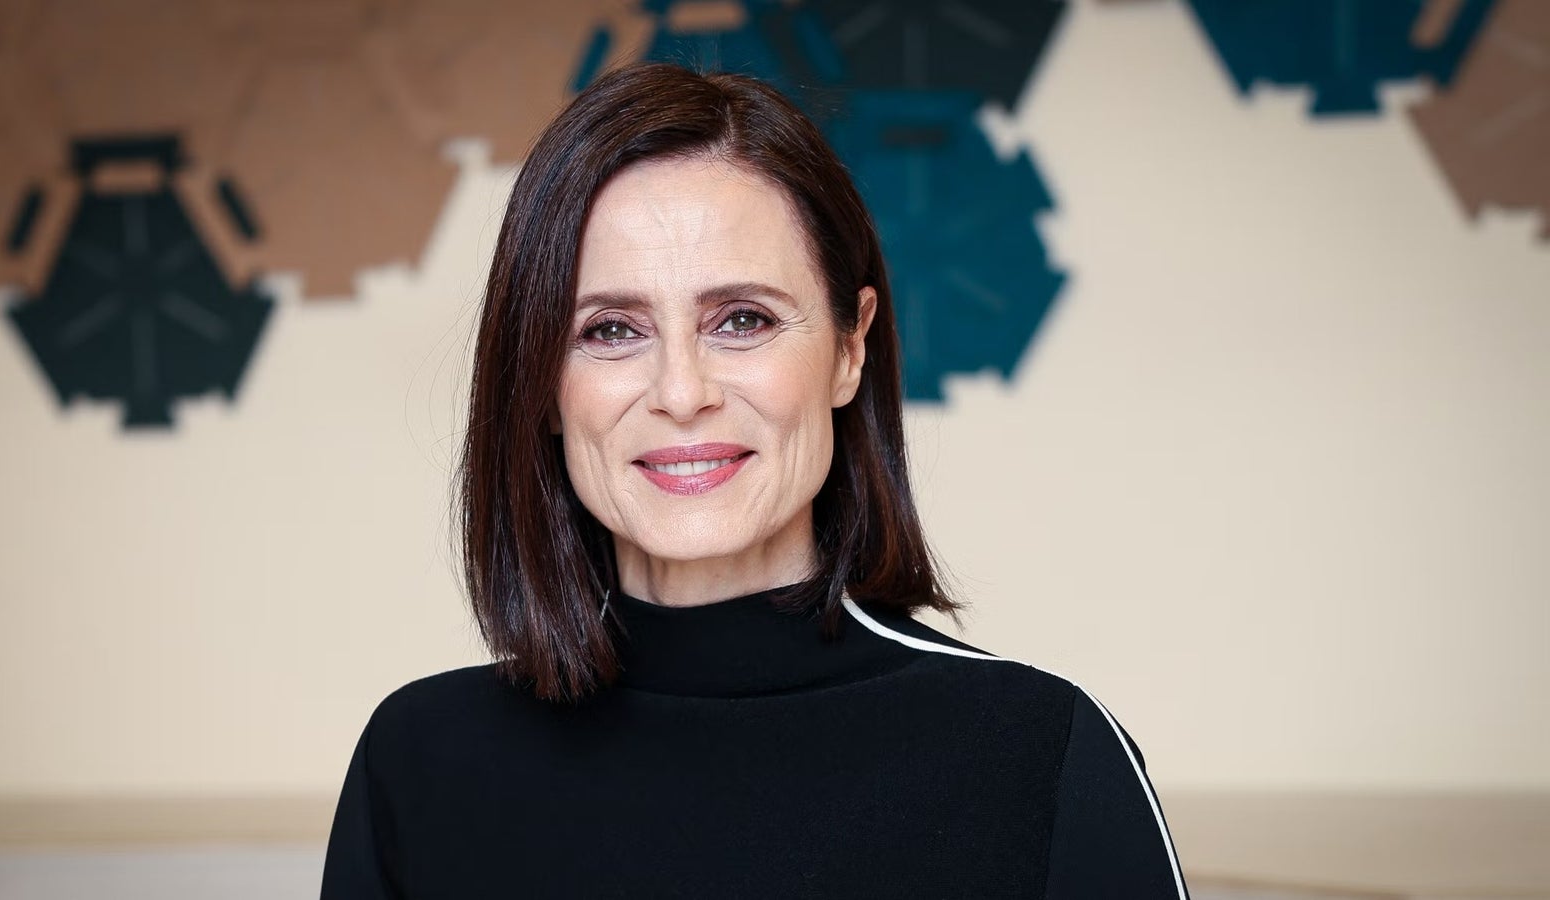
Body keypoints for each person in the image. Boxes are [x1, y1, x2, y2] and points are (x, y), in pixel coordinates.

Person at [320, 62, 1187, 899]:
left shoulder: (1040, 752)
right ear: (544, 386)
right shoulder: (420, 763)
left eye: (743, 320)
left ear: (848, 349)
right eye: (611, 330)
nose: (681, 392)